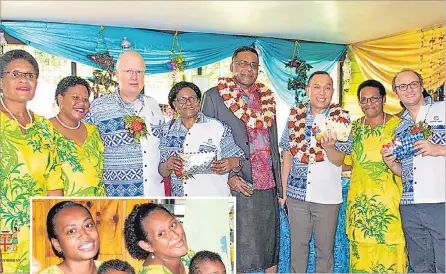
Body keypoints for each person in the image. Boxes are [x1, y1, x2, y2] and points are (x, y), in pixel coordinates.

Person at [201, 46, 281, 273]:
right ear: (232, 66)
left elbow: (272, 143)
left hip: (267, 181)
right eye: (242, 63)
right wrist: (230, 176)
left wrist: (280, 188)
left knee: (269, 244)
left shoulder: (266, 97)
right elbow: (206, 143)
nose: (248, 68)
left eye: (253, 65)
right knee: (240, 247)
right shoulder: (214, 96)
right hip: (237, 182)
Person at [279, 71, 352, 273]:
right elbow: (287, 156)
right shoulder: (295, 116)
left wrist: (329, 148)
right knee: (298, 250)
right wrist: (284, 192)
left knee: (324, 252)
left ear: (333, 91)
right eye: (317, 87)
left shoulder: (342, 119)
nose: (322, 92)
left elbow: (339, 161)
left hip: (327, 197)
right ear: (308, 90)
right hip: (296, 195)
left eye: (328, 87)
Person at [0, 49, 64, 273]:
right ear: (1, 81)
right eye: (15, 74)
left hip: (37, 228)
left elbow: (54, 183)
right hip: (5, 233)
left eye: (30, 75)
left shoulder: (44, 127)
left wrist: (56, 229)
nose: (24, 80)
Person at [382, 69, 445, 273]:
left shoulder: (442, 110)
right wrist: (391, 164)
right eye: (402, 86)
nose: (408, 90)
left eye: (413, 84)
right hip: (410, 204)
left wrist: (438, 149)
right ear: (395, 93)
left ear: (421, 85)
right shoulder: (400, 128)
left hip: (440, 201)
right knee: (420, 265)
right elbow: (406, 172)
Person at [344, 80, 407, 272]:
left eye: (373, 98)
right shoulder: (353, 128)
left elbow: (412, 166)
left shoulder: (400, 127)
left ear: (384, 99)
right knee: (361, 261)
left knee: (391, 260)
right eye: (363, 100)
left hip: (390, 208)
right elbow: (346, 163)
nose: (368, 103)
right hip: (360, 208)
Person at [85, 50, 165, 197]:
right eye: (128, 71)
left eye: (139, 72)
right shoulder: (98, 108)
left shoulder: (153, 105)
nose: (134, 77)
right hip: (116, 198)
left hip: (154, 194)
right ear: (117, 74)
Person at [158, 81, 244, 196]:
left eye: (192, 98)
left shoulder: (218, 127)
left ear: (199, 102)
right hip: (181, 202)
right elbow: (163, 172)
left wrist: (231, 162)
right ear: (174, 104)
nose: (188, 103)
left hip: (214, 200)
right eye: (182, 99)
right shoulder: (166, 131)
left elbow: (239, 160)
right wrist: (168, 165)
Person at [50, 76, 106, 196]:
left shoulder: (93, 131)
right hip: (62, 206)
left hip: (98, 205)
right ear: (60, 99)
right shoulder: (45, 130)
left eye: (85, 99)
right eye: (75, 98)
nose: (81, 103)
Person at [123, 203, 195, 274]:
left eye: (172, 225)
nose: (175, 235)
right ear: (147, 246)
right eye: (161, 234)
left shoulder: (187, 256)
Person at [40, 201, 102, 274]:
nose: (84, 235)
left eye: (88, 225)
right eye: (71, 231)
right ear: (57, 244)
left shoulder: (112, 270)